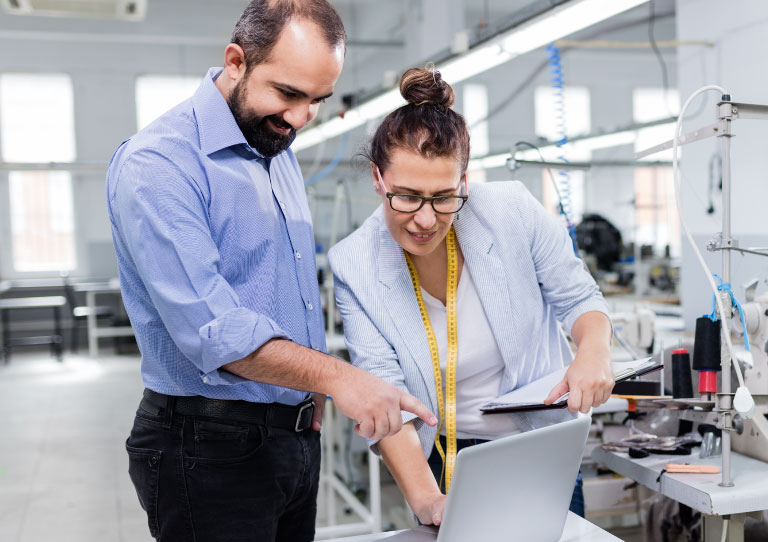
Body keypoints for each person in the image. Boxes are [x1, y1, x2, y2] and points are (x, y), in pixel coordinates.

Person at [106, 3, 436, 541]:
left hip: (291, 438)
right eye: (288, 94)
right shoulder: (160, 165)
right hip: (207, 447)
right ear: (236, 61)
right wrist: (338, 378)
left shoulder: (274, 146)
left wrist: (311, 401)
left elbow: (289, 293)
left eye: (317, 101)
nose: (302, 117)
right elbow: (215, 331)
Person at [328, 66, 614, 526]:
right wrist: (425, 499)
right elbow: (384, 395)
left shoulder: (511, 211)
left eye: (443, 197)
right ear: (378, 178)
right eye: (406, 196)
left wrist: (594, 351)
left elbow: (579, 296)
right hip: (436, 464)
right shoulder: (354, 265)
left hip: (537, 446)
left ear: (465, 182)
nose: (425, 219)